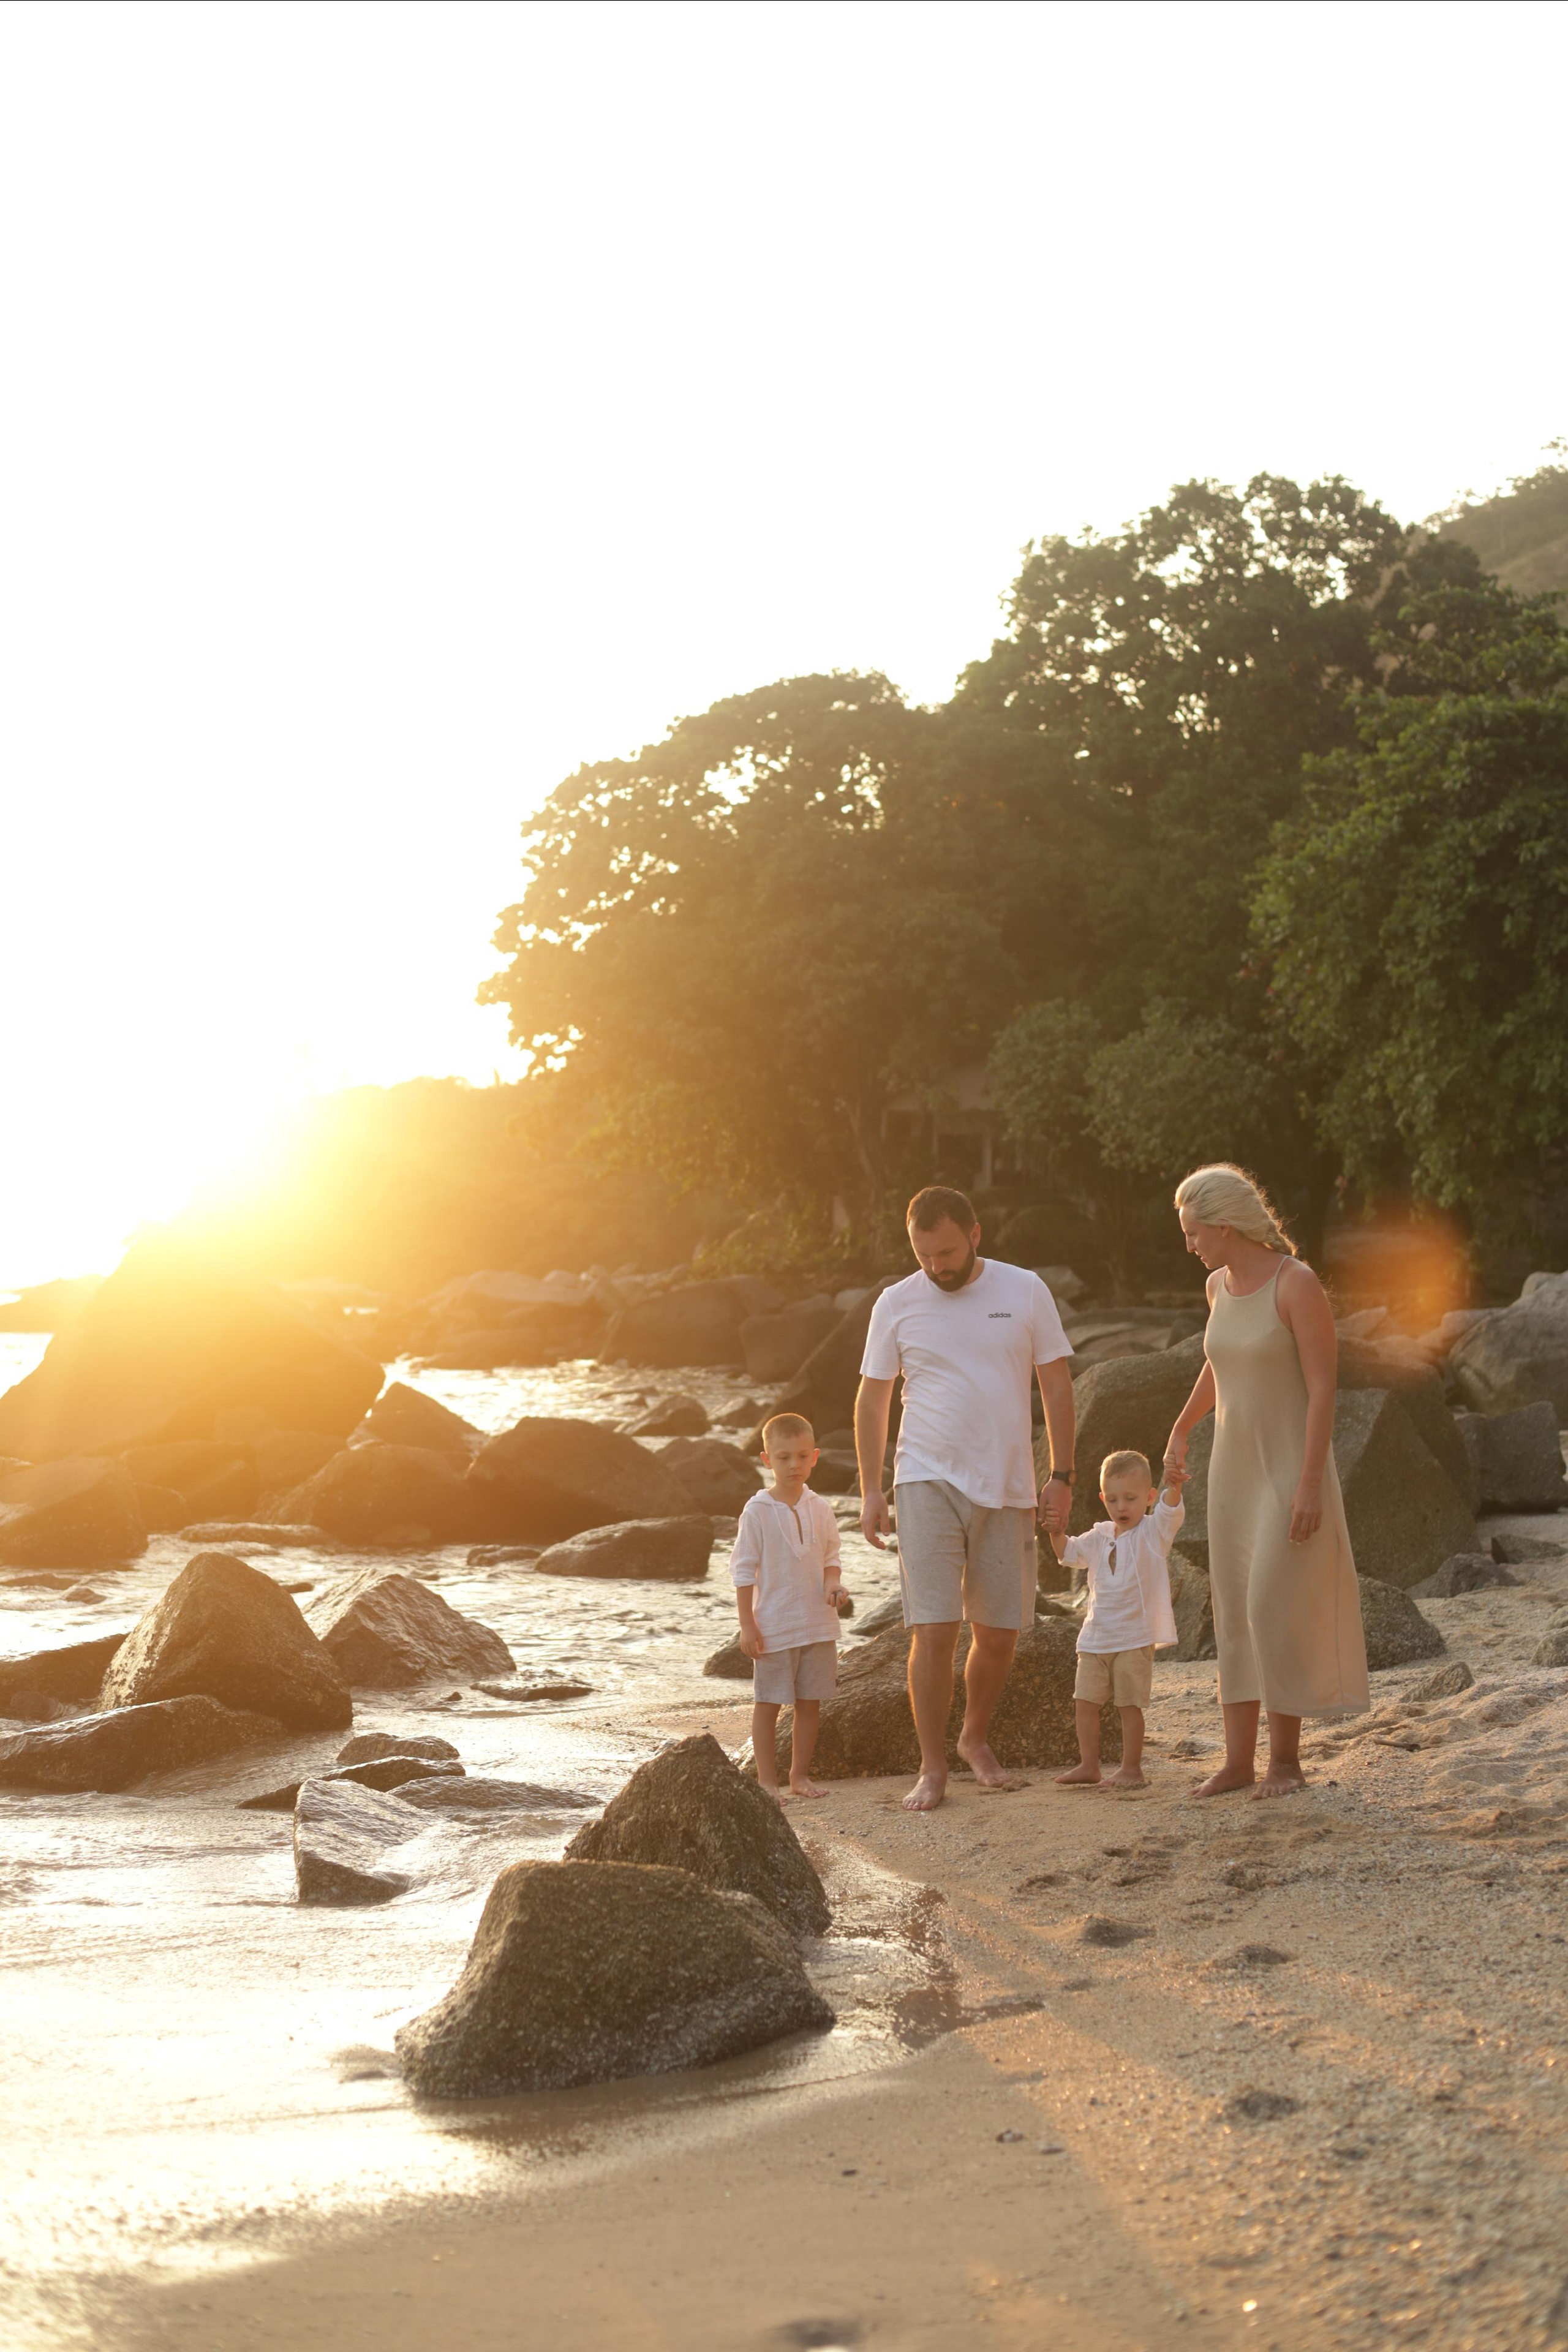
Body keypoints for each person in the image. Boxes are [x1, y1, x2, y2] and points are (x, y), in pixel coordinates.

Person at [855, 1184, 1076, 1813]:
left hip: (1005, 1482)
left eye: (947, 1252)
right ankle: (932, 1768)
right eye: (924, 1255)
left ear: (975, 1235)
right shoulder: (896, 1303)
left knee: (999, 1633)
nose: (936, 1266)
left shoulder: (1024, 1289)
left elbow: (1056, 1386)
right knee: (934, 1629)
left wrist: (1061, 1473)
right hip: (923, 1476)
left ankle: (973, 1736)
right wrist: (871, 1488)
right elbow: (872, 1399)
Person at [1163, 1163, 1369, 1799]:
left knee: (1269, 1608)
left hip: (1285, 1469)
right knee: (1233, 1615)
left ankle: (1285, 1763)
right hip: (1231, 1473)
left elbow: (1322, 1388)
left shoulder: (1296, 1284)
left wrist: (1309, 1484)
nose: (1188, 1244)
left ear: (1225, 1227)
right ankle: (1236, 1763)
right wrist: (1179, 1429)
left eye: (1194, 1232)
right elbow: (1217, 1364)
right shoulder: (1218, 1288)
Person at [1049, 1448, 1185, 1792]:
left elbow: (1170, 1511)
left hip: (1135, 1637)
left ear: (1149, 1497)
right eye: (1112, 1499)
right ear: (1102, 1498)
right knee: (1085, 1702)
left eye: (1130, 1498)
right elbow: (1068, 1554)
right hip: (1096, 1636)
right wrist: (1055, 1530)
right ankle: (1089, 1765)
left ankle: (1131, 1768)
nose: (1121, 1507)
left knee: (1129, 1705)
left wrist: (1175, 1486)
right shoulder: (1099, 1536)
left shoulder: (1154, 1532)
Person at [731, 1412, 848, 1804]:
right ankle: (767, 1780)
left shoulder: (821, 1508)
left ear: (814, 1457)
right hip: (775, 1625)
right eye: (783, 1458)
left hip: (817, 1623)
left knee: (809, 1704)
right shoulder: (758, 1511)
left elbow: (831, 1557)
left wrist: (833, 1583)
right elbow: (743, 1571)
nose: (794, 1465)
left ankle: (800, 1777)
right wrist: (747, 1625)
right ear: (766, 1460)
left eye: (801, 1456)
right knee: (767, 1705)